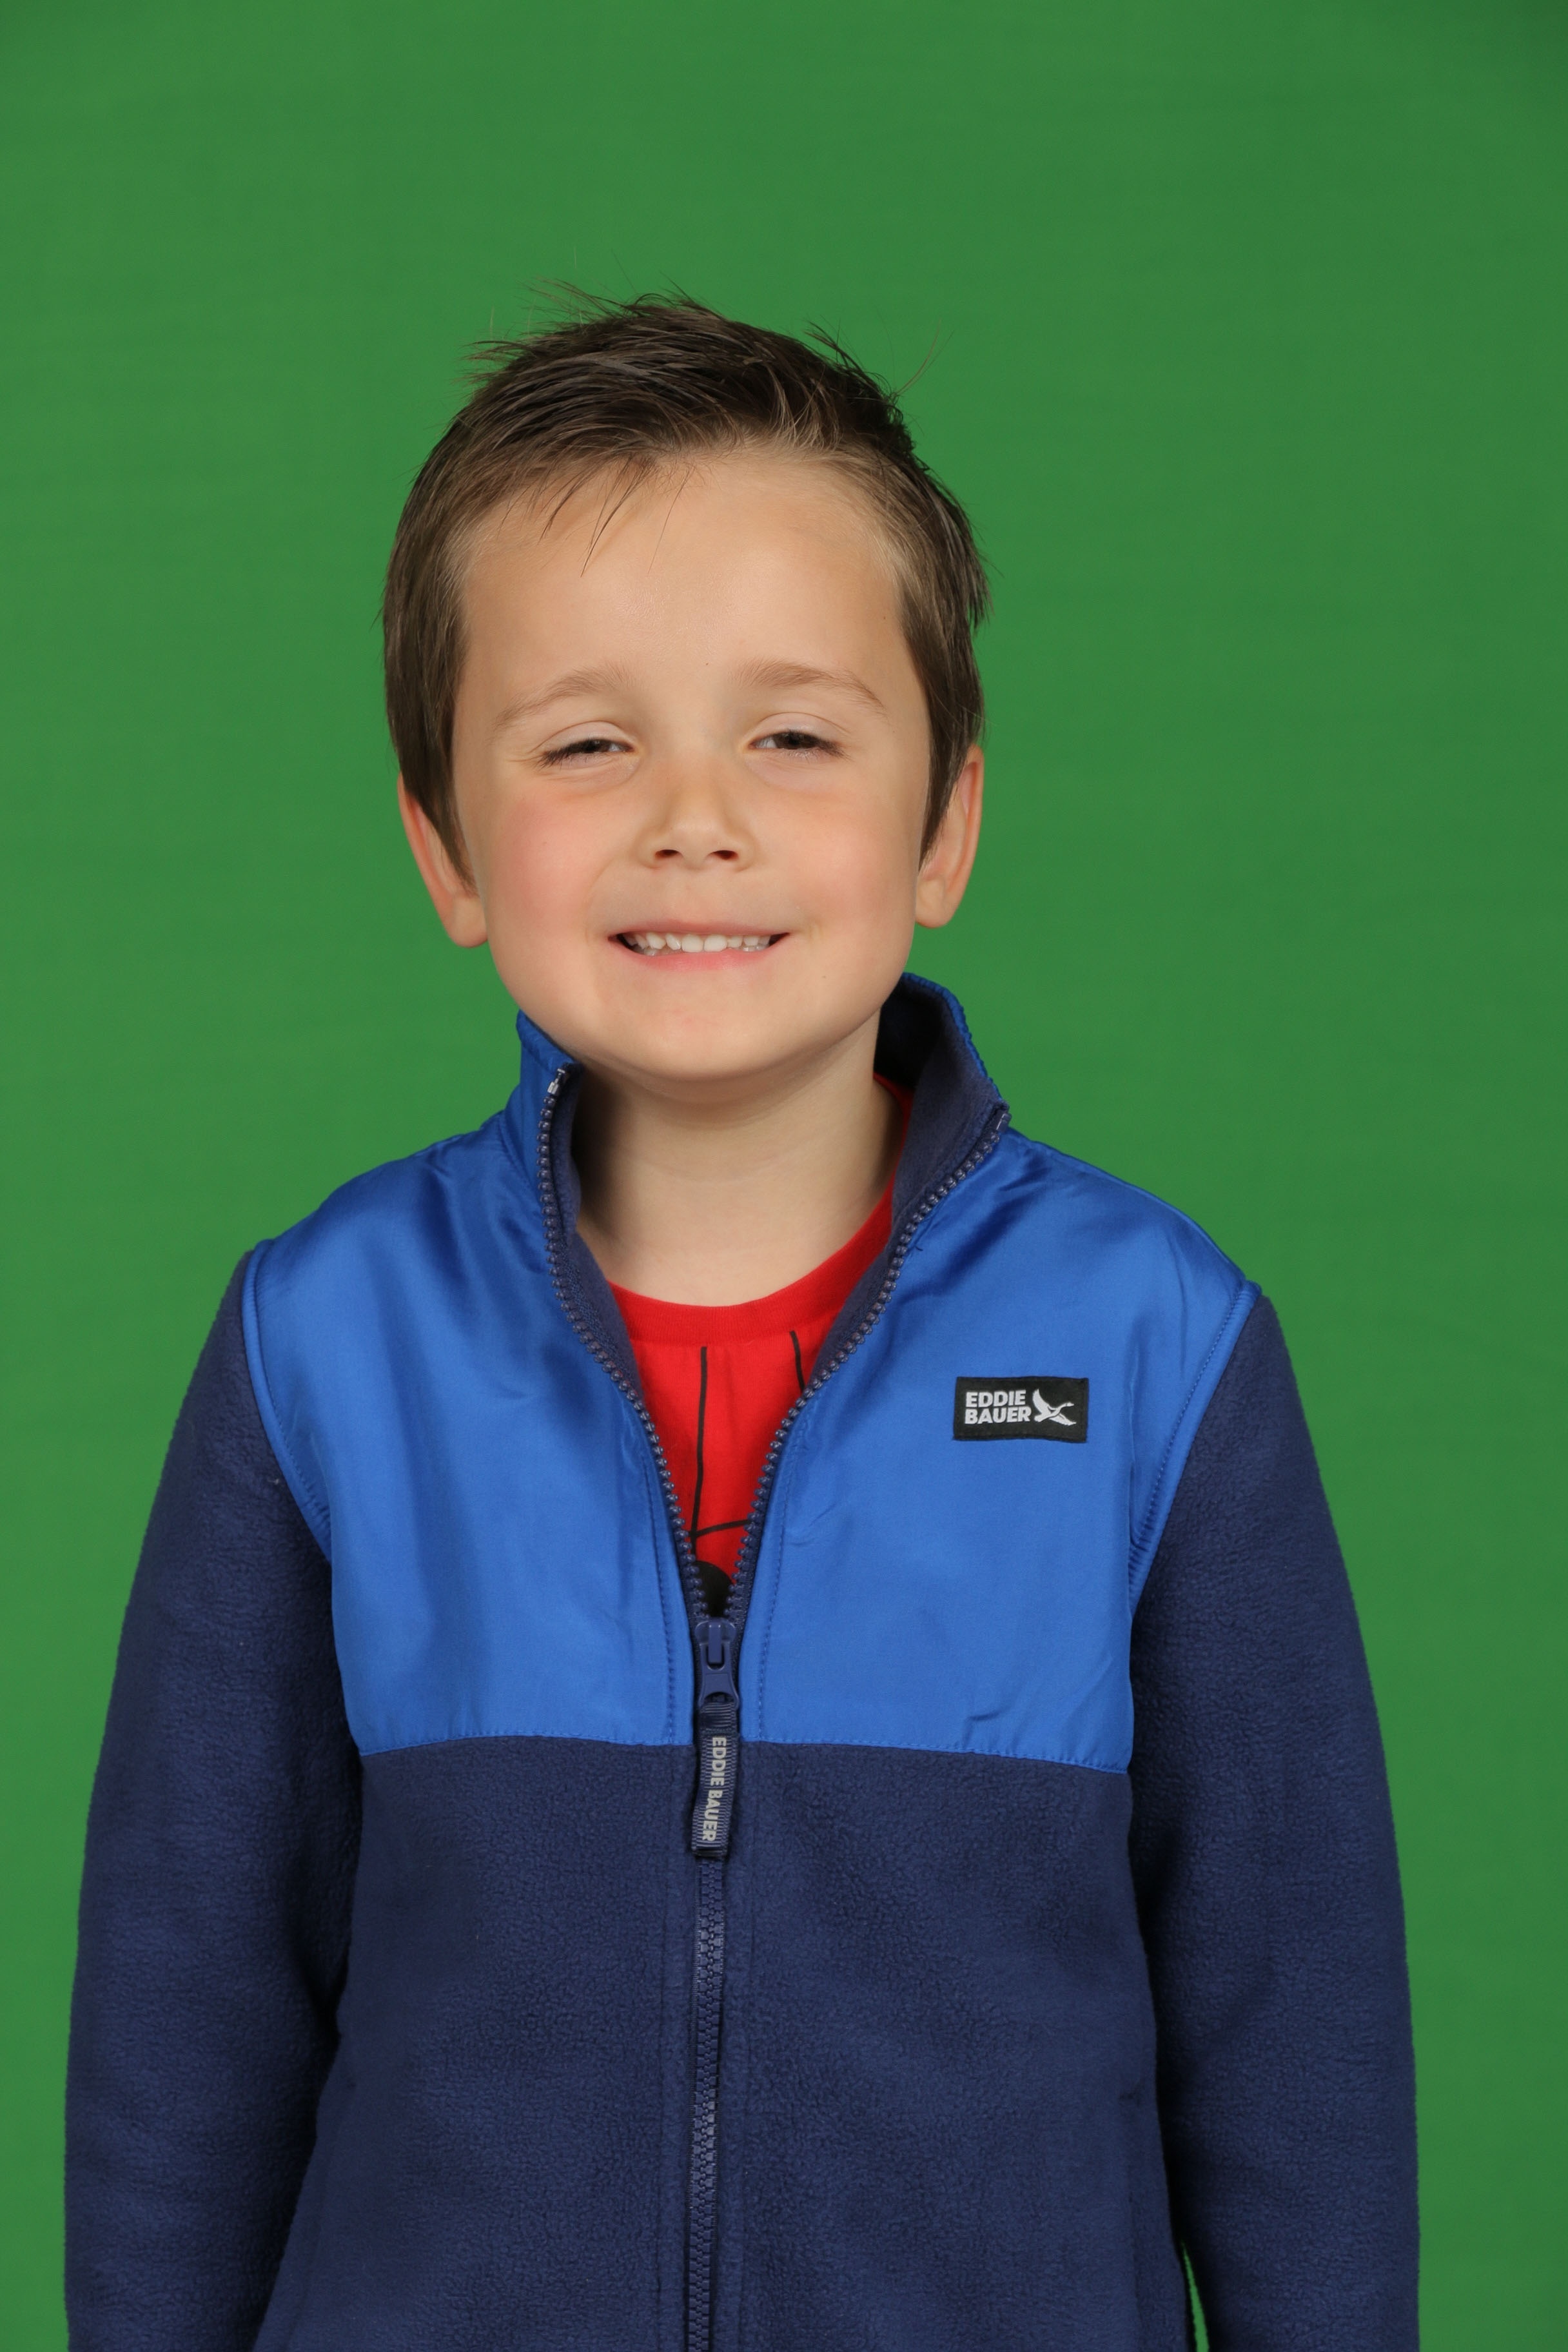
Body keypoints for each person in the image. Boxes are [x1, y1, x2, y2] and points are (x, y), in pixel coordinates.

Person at [65, 298, 1418, 2352]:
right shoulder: (322, 1342)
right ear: (442, 843)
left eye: (792, 735)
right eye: (585, 741)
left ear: (946, 823)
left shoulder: (1157, 1345)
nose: (692, 814)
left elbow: (1293, 2031)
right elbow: (188, 2020)